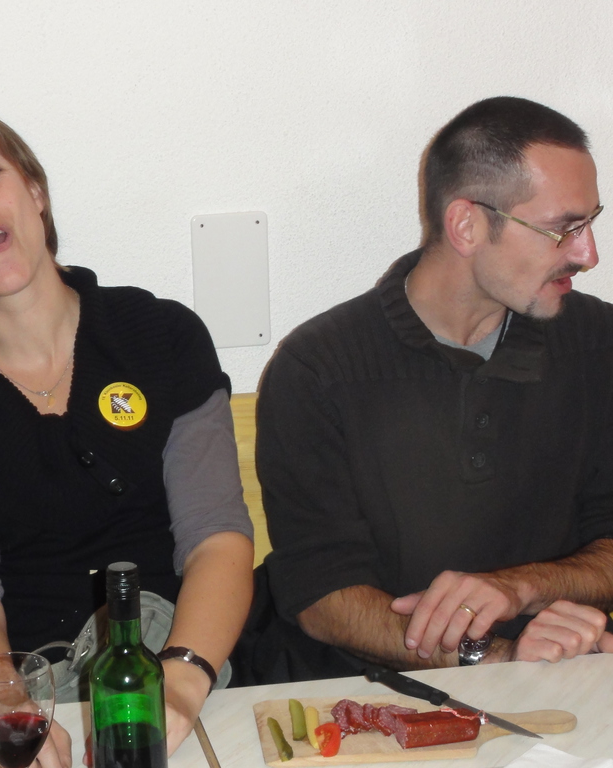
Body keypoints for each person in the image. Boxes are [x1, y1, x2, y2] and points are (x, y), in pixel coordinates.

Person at [0, 98, 254, 768]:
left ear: (35, 192)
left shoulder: (161, 335)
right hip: (34, 687)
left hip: (184, 664)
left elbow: (217, 538)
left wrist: (180, 681)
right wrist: (5, 710)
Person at [234, 96, 613, 685]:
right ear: (467, 225)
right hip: (367, 692)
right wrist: (500, 660)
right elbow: (322, 596)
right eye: (563, 229)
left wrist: (520, 588)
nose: (588, 254)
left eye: (590, 222)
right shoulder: (319, 368)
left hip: (570, 676)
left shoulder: (597, 343)